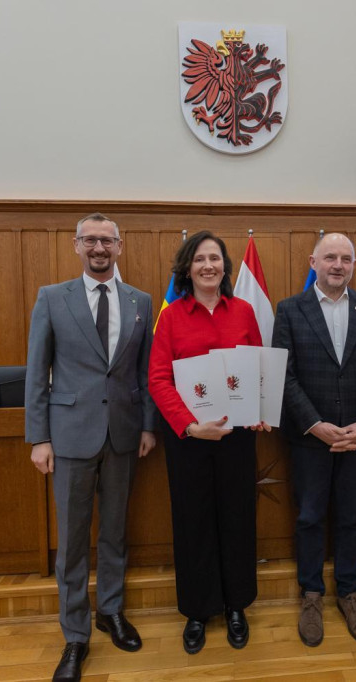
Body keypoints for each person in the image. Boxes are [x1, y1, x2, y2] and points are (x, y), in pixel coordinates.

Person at [25, 213, 156, 682]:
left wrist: (147, 426)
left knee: (115, 531)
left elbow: (143, 374)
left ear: (120, 246)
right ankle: (76, 635)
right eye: (91, 240)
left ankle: (111, 611)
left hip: (123, 435)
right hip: (69, 437)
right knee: (73, 541)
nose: (99, 248)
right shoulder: (52, 298)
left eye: (107, 240)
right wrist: (39, 436)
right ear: (77, 246)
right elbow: (36, 372)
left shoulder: (140, 301)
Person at [272, 233, 356, 647]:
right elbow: (283, 375)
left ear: (354, 265)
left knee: (351, 518)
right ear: (314, 262)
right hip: (310, 439)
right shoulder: (290, 310)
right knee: (308, 518)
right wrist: (315, 424)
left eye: (345, 258)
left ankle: (349, 592)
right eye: (329, 258)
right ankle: (310, 594)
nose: (337, 265)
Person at [148, 230, 266, 655]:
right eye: (199, 259)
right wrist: (188, 426)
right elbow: (158, 379)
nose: (208, 266)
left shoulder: (245, 311)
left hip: (236, 440)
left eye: (215, 258)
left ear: (225, 267)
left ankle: (237, 605)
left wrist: (258, 412)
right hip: (189, 440)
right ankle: (198, 610)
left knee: (238, 519)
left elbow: (257, 368)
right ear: (187, 268)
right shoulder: (172, 316)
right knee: (192, 522)